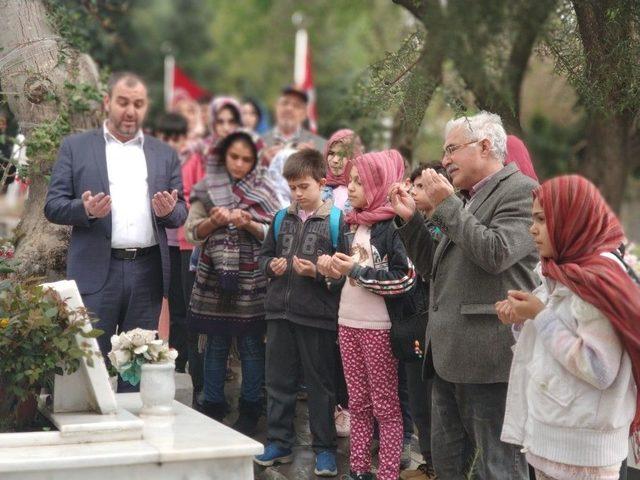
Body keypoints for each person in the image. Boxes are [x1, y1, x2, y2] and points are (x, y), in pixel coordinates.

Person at [389, 111, 538, 479]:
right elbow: (435, 270)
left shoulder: (521, 190)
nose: (445, 160)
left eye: (452, 149)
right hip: (448, 356)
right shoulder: (467, 198)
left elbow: (496, 253)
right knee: (449, 464)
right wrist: (411, 223)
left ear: (485, 146)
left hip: (490, 359)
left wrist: (447, 206)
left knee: (499, 468)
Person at [44, 71, 187, 391]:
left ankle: (133, 429)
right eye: (123, 102)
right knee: (89, 363)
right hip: (96, 270)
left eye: (138, 104)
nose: (130, 111)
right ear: (107, 102)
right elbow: (52, 206)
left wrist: (167, 212)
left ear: (146, 108)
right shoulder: (76, 147)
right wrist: (85, 211)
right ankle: (93, 434)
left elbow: (181, 211)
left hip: (147, 272)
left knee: (136, 365)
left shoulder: (164, 154)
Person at [498, 175, 640, 480]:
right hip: (553, 438)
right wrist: (522, 317)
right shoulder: (560, 271)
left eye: (542, 220)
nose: (532, 229)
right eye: (532, 219)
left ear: (570, 220)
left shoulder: (594, 283)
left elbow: (599, 368)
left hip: (583, 451)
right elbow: (547, 346)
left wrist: (540, 316)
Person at [324, 150, 417, 480]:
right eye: (350, 180)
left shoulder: (393, 228)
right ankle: (358, 469)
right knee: (357, 404)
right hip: (347, 324)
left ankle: (388, 473)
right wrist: (332, 271)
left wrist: (358, 271)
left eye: (359, 181)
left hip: (378, 329)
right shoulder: (353, 225)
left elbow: (405, 278)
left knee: (385, 406)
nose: (350, 187)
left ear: (378, 184)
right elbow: (346, 278)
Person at [254, 149, 345, 477]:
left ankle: (324, 449)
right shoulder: (280, 218)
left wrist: (317, 274)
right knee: (278, 382)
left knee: (321, 386)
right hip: (279, 313)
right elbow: (263, 258)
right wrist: (272, 267)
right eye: (292, 187)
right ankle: (278, 442)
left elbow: (345, 273)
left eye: (304, 186)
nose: (298, 194)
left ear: (322, 183)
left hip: (317, 317)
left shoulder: (336, 220)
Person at [184, 131, 280, 435]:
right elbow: (191, 233)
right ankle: (212, 405)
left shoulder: (264, 189)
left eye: (246, 159)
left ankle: (251, 409)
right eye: (234, 157)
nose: (239, 164)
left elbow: (274, 232)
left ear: (254, 162)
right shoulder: (205, 189)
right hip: (214, 280)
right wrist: (214, 221)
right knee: (215, 344)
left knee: (252, 345)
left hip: (251, 282)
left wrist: (248, 223)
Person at [153, 113, 191, 373]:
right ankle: (149, 349)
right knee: (154, 299)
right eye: (166, 137)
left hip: (184, 244)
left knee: (180, 303)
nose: (171, 143)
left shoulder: (192, 162)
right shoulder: (153, 163)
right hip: (158, 241)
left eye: (177, 138)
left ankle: (179, 358)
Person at [260, 86, 325, 165]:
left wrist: (315, 162)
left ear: (304, 114)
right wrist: (262, 162)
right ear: (276, 107)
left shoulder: (321, 146)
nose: (289, 108)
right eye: (285, 103)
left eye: (297, 106)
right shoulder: (259, 144)